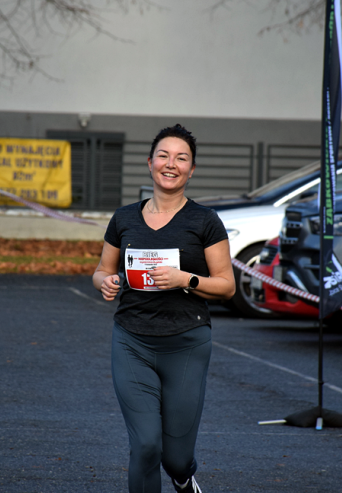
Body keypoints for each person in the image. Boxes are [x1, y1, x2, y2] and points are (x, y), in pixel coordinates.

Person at [93, 124, 235, 493]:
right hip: (132, 343)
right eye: (163, 155)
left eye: (181, 158)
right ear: (150, 162)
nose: (171, 164)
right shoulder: (123, 218)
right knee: (144, 446)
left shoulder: (205, 221)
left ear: (191, 169)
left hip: (186, 344)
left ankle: (183, 478)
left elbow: (226, 285)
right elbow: (102, 270)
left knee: (174, 457)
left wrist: (184, 279)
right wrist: (105, 282)